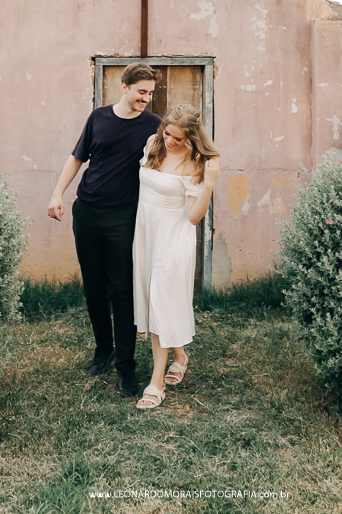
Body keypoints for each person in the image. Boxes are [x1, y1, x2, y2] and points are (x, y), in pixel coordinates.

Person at [47, 62, 161, 397]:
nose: (146, 99)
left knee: (121, 291)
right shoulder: (99, 118)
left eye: (150, 93)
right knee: (94, 288)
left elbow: (169, 160)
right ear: (124, 87)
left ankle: (127, 367)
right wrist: (58, 194)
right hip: (86, 211)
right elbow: (77, 158)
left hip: (124, 216)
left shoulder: (153, 125)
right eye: (142, 92)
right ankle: (104, 350)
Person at [133, 104, 220, 409]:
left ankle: (156, 384)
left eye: (178, 138)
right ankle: (180, 355)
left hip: (174, 239)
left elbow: (194, 217)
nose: (170, 141)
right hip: (146, 235)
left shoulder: (197, 163)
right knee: (154, 298)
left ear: (192, 139)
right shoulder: (153, 145)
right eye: (167, 133)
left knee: (159, 299)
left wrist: (208, 184)